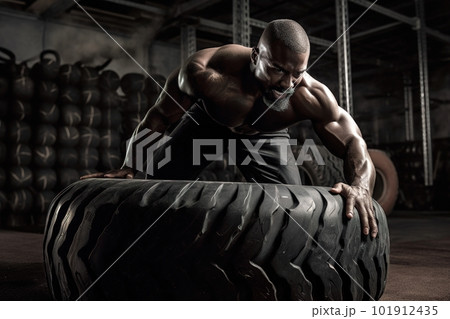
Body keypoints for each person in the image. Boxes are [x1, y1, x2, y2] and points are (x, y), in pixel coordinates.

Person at [82, 19, 378, 238]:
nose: (287, 84)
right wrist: (131, 164)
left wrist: (361, 186)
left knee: (293, 213)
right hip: (206, 124)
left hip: (264, 138)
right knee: (155, 191)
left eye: (297, 73)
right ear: (255, 56)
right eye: (278, 69)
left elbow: (352, 140)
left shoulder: (309, 95)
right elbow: (159, 116)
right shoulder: (206, 73)